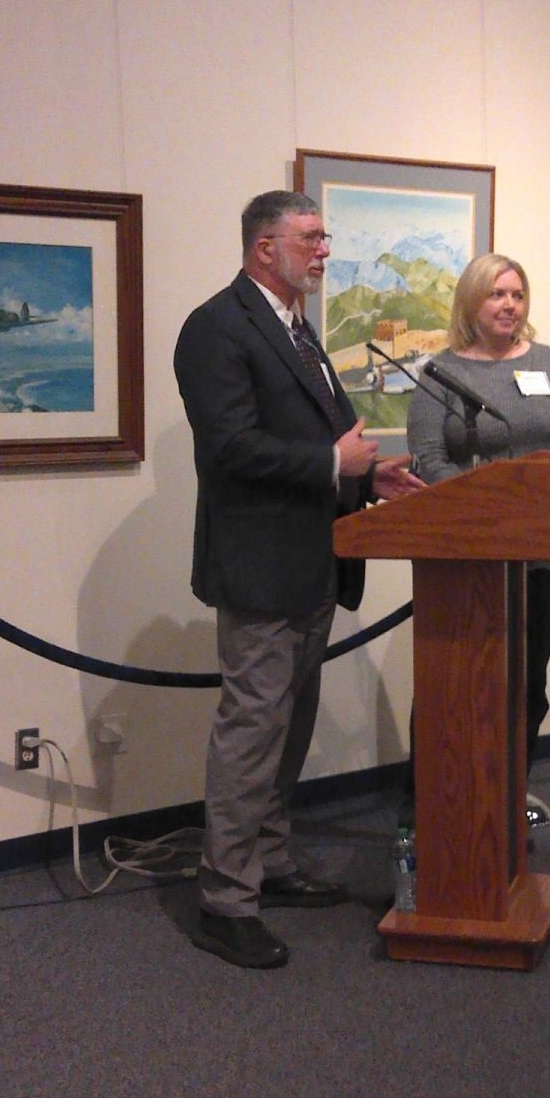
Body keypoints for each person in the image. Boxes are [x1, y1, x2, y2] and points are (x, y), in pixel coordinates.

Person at [174, 190, 422, 970]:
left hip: (315, 564)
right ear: (264, 247)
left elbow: (323, 441)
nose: (323, 250)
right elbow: (229, 450)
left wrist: (368, 477)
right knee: (251, 736)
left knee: (288, 729)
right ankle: (225, 902)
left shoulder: (296, 328)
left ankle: (270, 864)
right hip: (259, 571)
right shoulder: (216, 327)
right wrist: (331, 462)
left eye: (324, 237)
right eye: (311, 238)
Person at [406, 252, 550, 821]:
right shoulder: (441, 374)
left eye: (517, 295)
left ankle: (507, 798)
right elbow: (428, 458)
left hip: (548, 550)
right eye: (497, 294)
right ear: (471, 301)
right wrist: (489, 509)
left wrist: (547, 497)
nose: (509, 305)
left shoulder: (548, 363)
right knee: (461, 685)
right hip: (472, 555)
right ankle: (439, 809)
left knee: (526, 683)